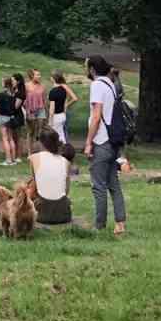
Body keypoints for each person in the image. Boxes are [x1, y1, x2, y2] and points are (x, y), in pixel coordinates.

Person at [82, 54, 125, 238]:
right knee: (113, 184)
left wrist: (88, 142)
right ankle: (120, 223)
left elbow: (97, 116)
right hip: (113, 140)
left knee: (98, 185)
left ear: (92, 69)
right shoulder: (111, 84)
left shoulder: (97, 85)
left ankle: (99, 225)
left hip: (101, 140)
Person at [29, 128, 74, 225]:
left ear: (41, 143)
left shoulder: (34, 158)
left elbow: (34, 186)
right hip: (64, 214)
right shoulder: (66, 162)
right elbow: (66, 191)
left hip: (41, 214)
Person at [24, 70, 47, 156]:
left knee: (40, 131)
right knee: (31, 131)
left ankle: (41, 151)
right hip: (30, 110)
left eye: (39, 75)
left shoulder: (42, 86)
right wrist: (27, 111)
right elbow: (23, 99)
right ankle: (30, 152)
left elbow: (44, 100)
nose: (39, 76)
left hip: (40, 110)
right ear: (32, 76)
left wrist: (46, 113)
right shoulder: (26, 86)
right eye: (37, 75)